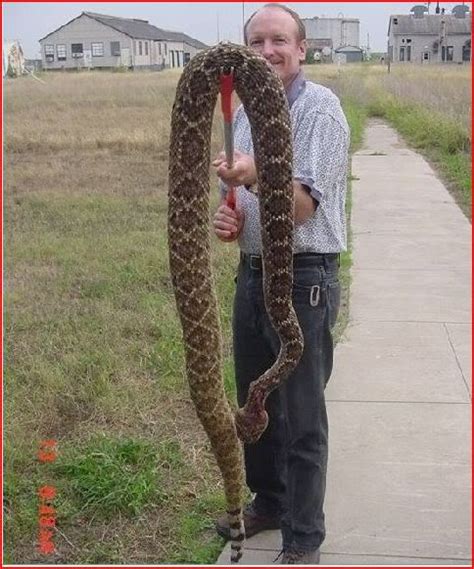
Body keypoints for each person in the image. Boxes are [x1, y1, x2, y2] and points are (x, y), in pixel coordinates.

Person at [212, 3, 349, 564]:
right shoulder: (244, 113)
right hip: (253, 274)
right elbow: (247, 206)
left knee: (299, 413)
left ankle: (303, 539)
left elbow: (298, 207)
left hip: (302, 278)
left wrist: (254, 175)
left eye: (278, 41)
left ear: (302, 49)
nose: (266, 52)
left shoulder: (319, 110)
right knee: (256, 401)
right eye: (256, 42)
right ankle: (268, 501)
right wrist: (231, 218)